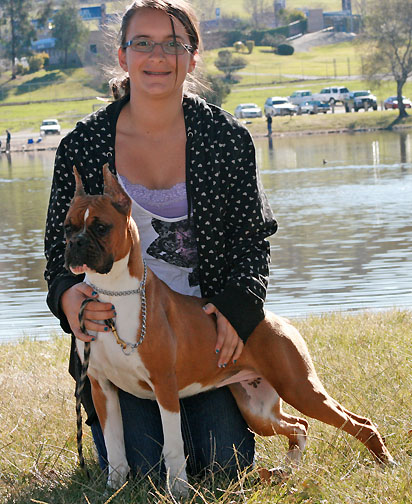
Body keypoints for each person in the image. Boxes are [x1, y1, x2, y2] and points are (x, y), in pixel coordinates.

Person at [44, 0, 277, 484]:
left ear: (193, 57)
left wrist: (239, 306)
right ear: (123, 55)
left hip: (200, 337)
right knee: (143, 472)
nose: (157, 56)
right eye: (143, 43)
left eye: (173, 44)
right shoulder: (83, 145)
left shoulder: (226, 138)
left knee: (224, 464)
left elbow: (252, 241)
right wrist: (68, 297)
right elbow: (56, 250)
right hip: (118, 341)